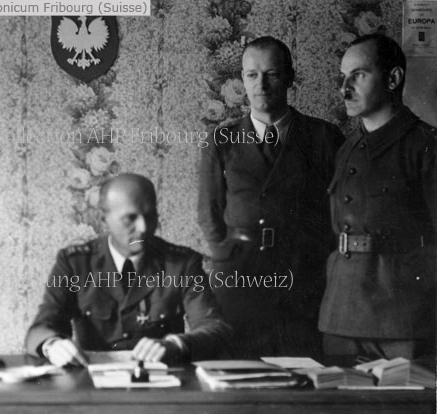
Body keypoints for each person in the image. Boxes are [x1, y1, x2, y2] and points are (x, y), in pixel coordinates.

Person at [198, 36, 345, 358]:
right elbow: (209, 214)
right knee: (238, 371)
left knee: (303, 370)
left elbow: (338, 212)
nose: (261, 85)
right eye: (252, 75)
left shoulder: (324, 137)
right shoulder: (222, 140)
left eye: (272, 74)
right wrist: (229, 258)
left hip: (302, 280)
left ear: (289, 77)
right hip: (241, 278)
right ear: (242, 78)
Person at [26, 173, 231, 366]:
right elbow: (42, 327)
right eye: (130, 218)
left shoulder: (182, 264)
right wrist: (52, 345)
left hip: (161, 380)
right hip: (92, 382)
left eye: (150, 216)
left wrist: (176, 344)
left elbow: (215, 330)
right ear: (103, 219)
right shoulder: (75, 264)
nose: (143, 228)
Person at [319, 34, 436, 359]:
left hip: (403, 318)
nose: (344, 89)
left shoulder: (425, 146)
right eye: (343, 77)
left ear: (393, 79)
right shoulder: (347, 149)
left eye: (358, 75)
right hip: (341, 314)